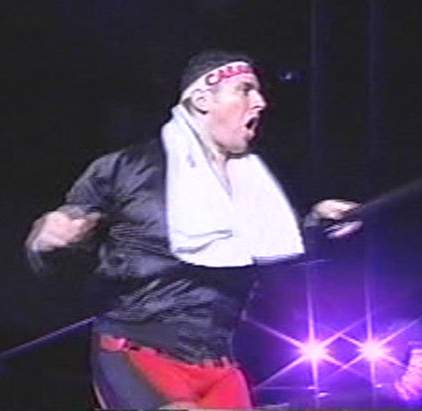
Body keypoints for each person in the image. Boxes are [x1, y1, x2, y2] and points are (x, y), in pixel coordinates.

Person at [25, 50, 360, 409]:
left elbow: (278, 241)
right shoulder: (127, 168)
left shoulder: (254, 185)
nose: (260, 102)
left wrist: (318, 222)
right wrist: (47, 236)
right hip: (137, 350)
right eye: (245, 90)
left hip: (219, 363)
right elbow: (64, 231)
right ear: (202, 100)